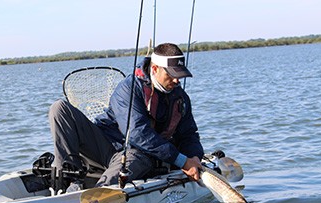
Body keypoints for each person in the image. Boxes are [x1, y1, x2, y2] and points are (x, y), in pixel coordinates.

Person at [48, 42, 204, 191]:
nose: (177, 80)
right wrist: (181, 161)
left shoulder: (180, 97)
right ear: (155, 68)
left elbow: (189, 134)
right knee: (59, 108)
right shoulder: (128, 89)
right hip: (108, 145)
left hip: (139, 155)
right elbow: (137, 133)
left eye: (180, 74)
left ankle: (99, 193)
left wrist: (194, 157)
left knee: (133, 159)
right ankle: (68, 179)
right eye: (171, 74)